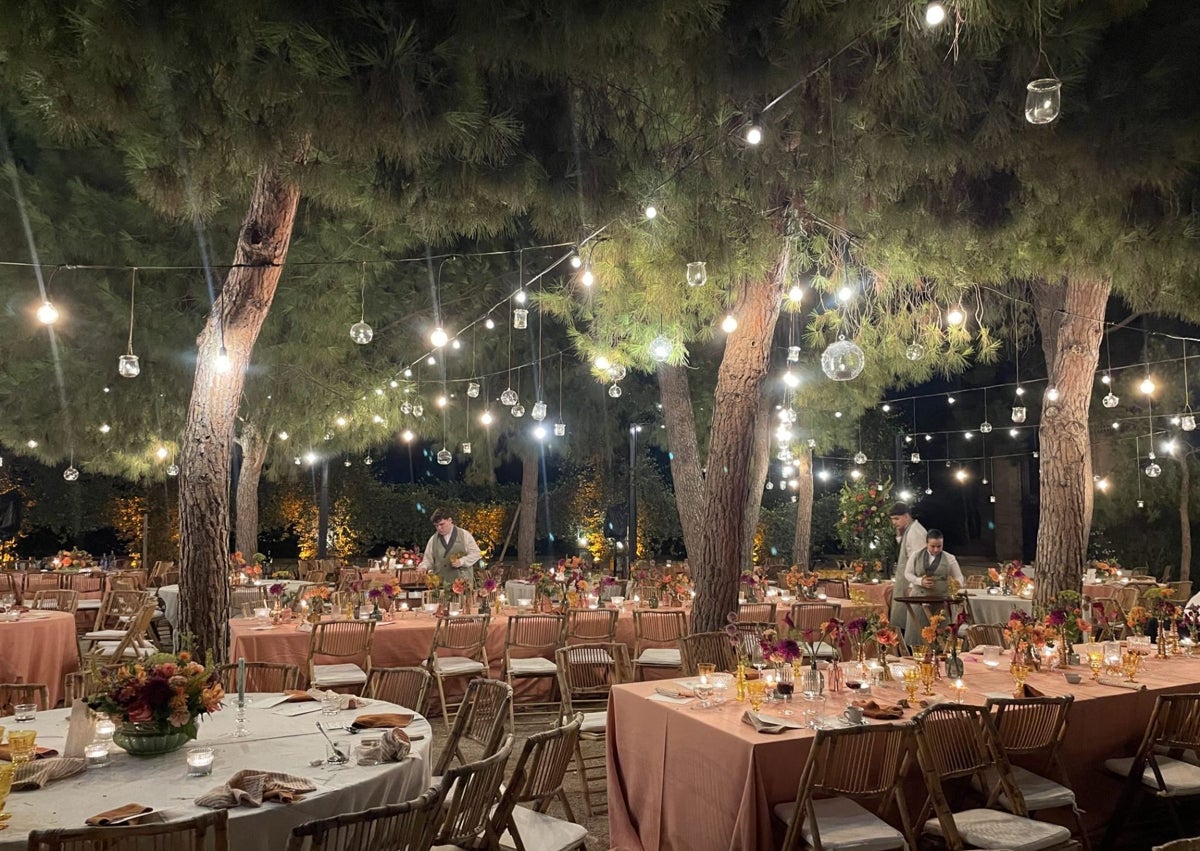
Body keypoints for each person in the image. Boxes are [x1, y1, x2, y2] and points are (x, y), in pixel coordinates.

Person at [901, 529, 965, 646]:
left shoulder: (949, 558)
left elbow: (959, 577)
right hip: (918, 599)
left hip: (940, 601)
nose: (936, 549)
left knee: (941, 635)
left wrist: (957, 584)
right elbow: (908, 574)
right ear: (926, 544)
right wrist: (920, 581)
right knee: (917, 635)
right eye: (933, 546)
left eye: (939, 546)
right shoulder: (916, 556)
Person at [887, 503, 927, 636]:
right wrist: (899, 534)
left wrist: (912, 584)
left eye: (897, 519)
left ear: (906, 516)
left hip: (912, 586)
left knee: (910, 624)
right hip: (907, 584)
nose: (893, 522)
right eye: (892, 519)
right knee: (903, 621)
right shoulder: (909, 530)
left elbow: (918, 561)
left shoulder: (915, 532)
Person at [418, 508, 482, 589]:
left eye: (442, 524)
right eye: (436, 526)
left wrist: (462, 561)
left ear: (450, 520)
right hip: (440, 586)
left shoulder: (464, 535)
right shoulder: (433, 539)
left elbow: (476, 553)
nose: (439, 528)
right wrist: (424, 567)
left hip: (463, 585)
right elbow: (428, 559)